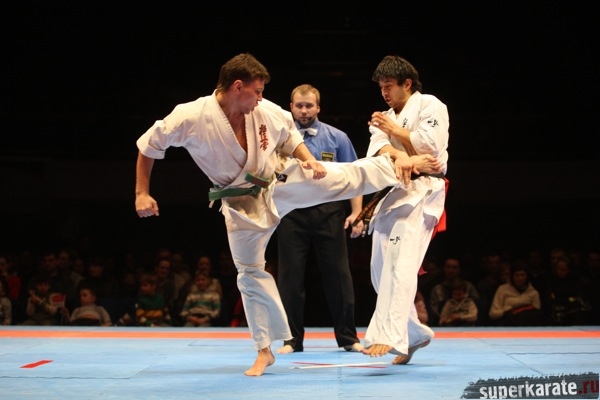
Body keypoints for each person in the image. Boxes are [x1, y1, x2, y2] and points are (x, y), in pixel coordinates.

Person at [134, 53, 441, 376]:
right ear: (237, 86)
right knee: (249, 273)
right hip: (240, 203)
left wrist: (308, 159)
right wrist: (142, 192)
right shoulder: (190, 116)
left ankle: (405, 164)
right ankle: (264, 350)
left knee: (344, 176)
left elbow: (290, 135)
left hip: (278, 181)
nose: (260, 98)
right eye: (256, 91)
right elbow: (148, 146)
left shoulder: (264, 109)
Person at [358, 55, 449, 365]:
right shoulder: (384, 117)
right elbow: (378, 151)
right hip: (394, 192)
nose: (384, 93)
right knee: (379, 270)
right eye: (381, 87)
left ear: (407, 84)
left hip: (424, 191)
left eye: (389, 86)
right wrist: (404, 157)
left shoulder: (431, 105)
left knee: (402, 263)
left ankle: (389, 334)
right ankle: (414, 335)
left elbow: (430, 150)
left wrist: (395, 132)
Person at [276, 84, 363, 354]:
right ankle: (291, 340)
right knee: (290, 278)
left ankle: (348, 337)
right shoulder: (279, 140)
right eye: (299, 105)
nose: (304, 110)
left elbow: (355, 177)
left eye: (309, 105)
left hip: (329, 212)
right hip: (291, 213)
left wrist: (357, 213)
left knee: (339, 275)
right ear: (291, 107)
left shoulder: (337, 138)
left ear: (318, 107)